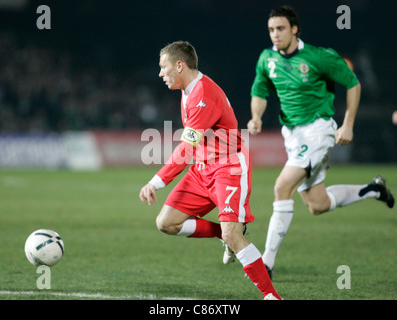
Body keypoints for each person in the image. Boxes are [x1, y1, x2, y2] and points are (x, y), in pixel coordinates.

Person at [246, 6, 394, 278]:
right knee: (317, 204)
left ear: (294, 29)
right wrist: (256, 117)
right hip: (292, 135)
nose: (275, 35)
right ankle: (373, 189)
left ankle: (265, 263)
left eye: (280, 29)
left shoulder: (318, 57)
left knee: (281, 187)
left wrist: (348, 124)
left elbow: (353, 84)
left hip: (317, 131)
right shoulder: (267, 58)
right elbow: (259, 90)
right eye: (270, 30)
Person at [139, 41, 281, 300]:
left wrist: (156, 182)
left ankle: (272, 297)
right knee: (166, 223)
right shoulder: (188, 90)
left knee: (233, 235)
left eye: (163, 66)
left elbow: (185, 150)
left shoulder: (203, 94)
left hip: (227, 167)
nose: (160, 73)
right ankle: (224, 234)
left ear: (179, 65)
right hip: (202, 169)